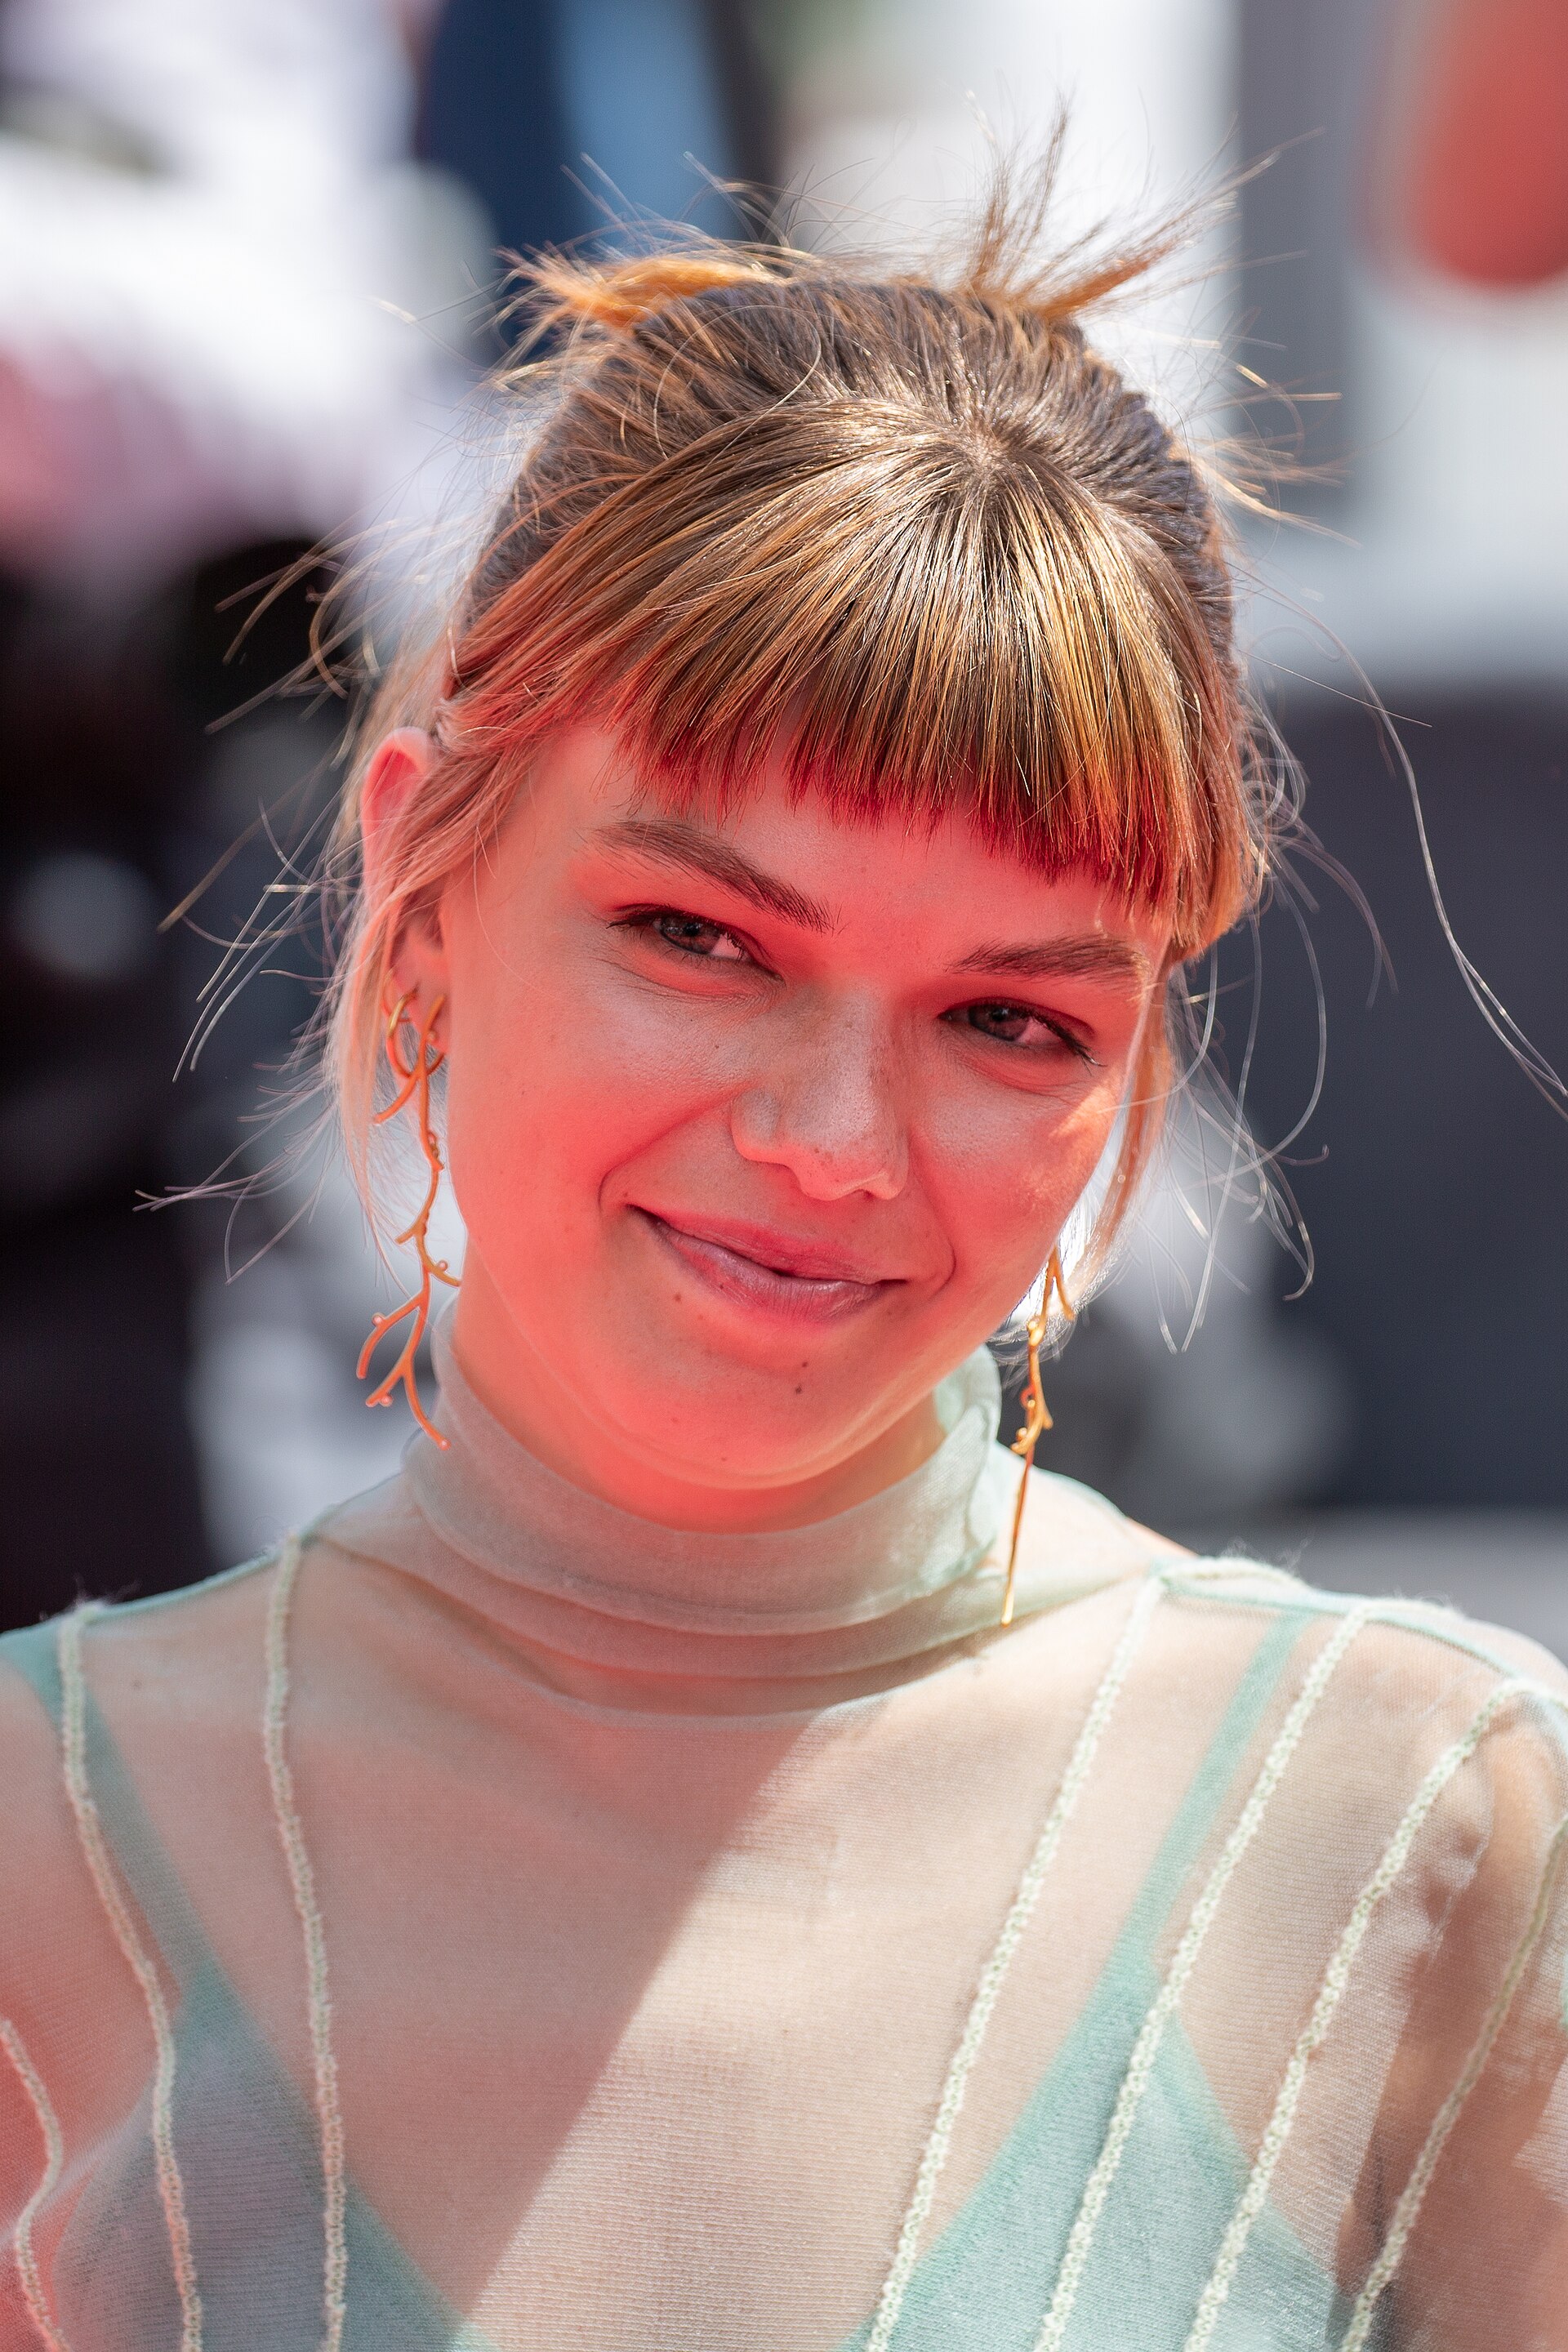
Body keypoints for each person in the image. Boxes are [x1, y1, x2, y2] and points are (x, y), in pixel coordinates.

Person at [2, 203, 1566, 2352]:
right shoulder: (38, 1853)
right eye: (703, 940)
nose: (834, 1142)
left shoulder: (1428, 1832)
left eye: (1014, 1021)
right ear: (421, 875)